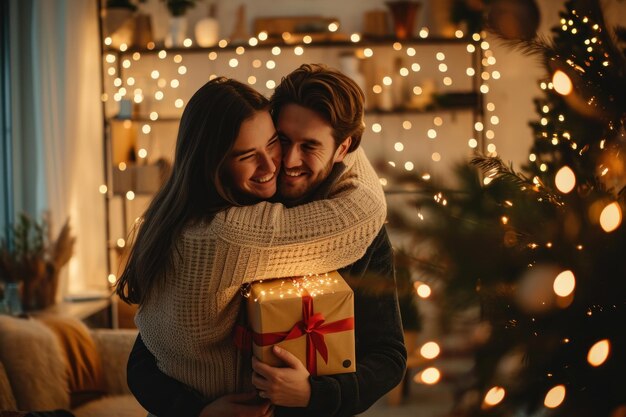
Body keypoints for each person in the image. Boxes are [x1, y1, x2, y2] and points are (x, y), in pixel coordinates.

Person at [118, 66, 403, 417]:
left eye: (310, 146)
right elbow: (147, 353)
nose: (285, 162)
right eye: (282, 139)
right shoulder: (230, 212)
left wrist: (314, 395)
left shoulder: (359, 236)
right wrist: (199, 411)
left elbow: (388, 355)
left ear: (344, 147)